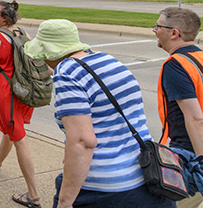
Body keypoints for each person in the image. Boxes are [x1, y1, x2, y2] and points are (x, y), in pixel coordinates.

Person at [25, 19, 175, 208]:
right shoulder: (107, 60)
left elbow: (83, 141)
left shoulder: (67, 72)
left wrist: (65, 201)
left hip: (104, 189)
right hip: (147, 178)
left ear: (47, 50)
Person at [0, 0, 40, 208]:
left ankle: (34, 196)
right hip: (24, 91)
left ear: (4, 18)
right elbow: (35, 57)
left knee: (19, 137)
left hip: (7, 94)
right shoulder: (22, 33)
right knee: (10, 130)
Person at [155, 7, 203, 208]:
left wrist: (201, 164)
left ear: (174, 33)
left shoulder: (175, 65)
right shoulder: (199, 57)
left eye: (158, 26)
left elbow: (196, 118)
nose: (155, 30)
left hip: (189, 153)